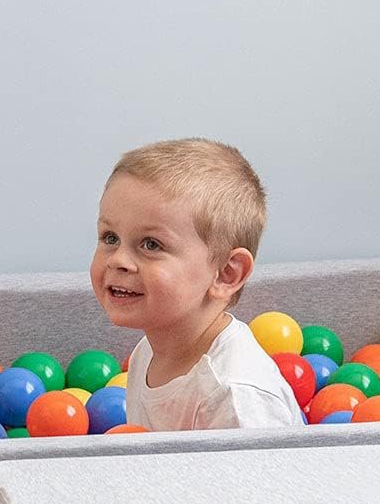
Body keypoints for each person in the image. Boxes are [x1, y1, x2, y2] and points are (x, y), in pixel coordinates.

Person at [90, 137, 303, 432]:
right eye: (110, 237)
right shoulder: (148, 351)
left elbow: (263, 479)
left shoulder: (232, 395)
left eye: (151, 244)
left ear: (225, 274)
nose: (119, 260)